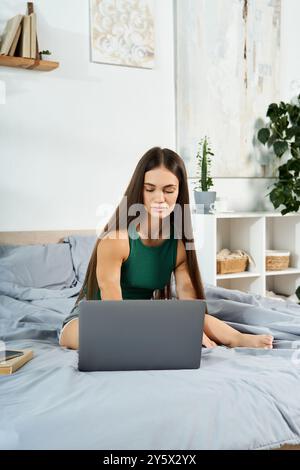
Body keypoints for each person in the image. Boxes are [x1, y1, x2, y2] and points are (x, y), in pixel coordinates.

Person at [59, 147, 273, 351]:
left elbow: (189, 301)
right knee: (99, 336)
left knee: (198, 318)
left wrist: (191, 326)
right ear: (139, 190)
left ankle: (237, 339)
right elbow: (112, 303)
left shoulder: (178, 244)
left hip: (144, 316)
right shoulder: (116, 239)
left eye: (169, 190)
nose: (159, 198)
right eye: (150, 189)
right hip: (102, 317)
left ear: (179, 193)